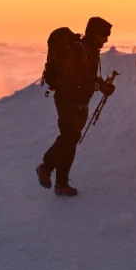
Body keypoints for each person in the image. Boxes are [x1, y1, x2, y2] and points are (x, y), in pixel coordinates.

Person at [35, 16, 115, 197]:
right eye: (104, 35)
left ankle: (61, 184)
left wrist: (102, 85)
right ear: (94, 33)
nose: (106, 40)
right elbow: (72, 77)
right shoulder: (80, 49)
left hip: (78, 100)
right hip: (68, 100)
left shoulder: (90, 50)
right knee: (69, 137)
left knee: (71, 140)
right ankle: (46, 167)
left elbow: (87, 76)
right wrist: (89, 86)